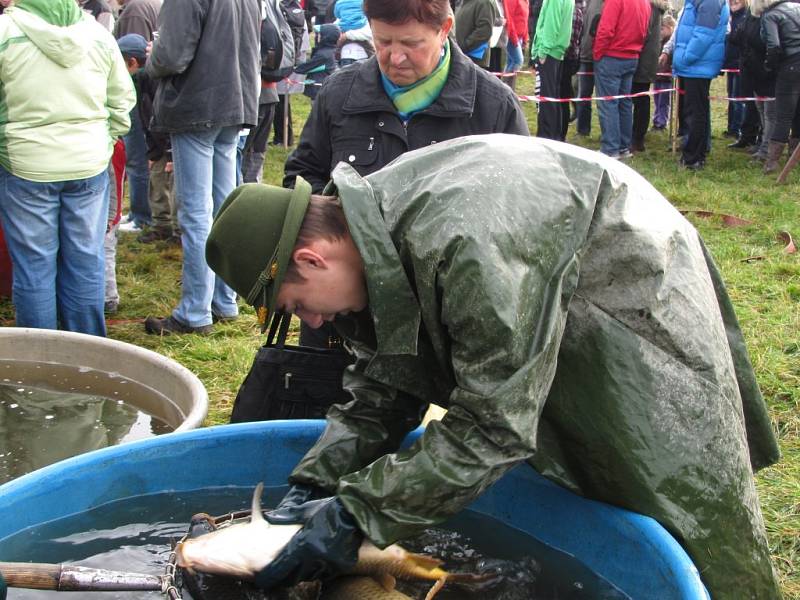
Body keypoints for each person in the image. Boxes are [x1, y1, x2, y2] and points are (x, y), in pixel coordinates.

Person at [206, 134, 781, 599]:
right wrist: (313, 487)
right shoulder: (363, 240)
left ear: (311, 257)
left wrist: (354, 517)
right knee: (544, 449)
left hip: (628, 294)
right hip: (528, 276)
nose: (311, 323)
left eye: (296, 305)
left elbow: (492, 425)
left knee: (667, 482)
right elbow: (383, 388)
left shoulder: (463, 246)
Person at [283, 0, 529, 352]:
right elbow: (301, 176)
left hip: (444, 324)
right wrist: (336, 237)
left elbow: (521, 215)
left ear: (444, 29)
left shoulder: (492, 107)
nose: (395, 58)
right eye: (383, 42)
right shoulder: (340, 94)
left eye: (411, 44)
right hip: (347, 326)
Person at [0, 0, 135, 336]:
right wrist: (102, 142)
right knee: (86, 259)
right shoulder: (98, 35)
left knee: (34, 267)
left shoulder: (5, 33)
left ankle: (41, 365)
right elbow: (122, 101)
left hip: (27, 165)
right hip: (86, 163)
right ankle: (89, 357)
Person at [143, 0, 261, 335]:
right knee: (222, 210)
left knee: (196, 215)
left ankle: (195, 312)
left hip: (198, 105)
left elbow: (170, 57)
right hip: (235, 103)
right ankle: (224, 301)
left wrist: (153, 56)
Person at [671, 0, 729, 169]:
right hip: (696, 65)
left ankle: (693, 157)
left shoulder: (709, 2)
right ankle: (696, 154)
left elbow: (704, 35)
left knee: (695, 113)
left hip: (697, 64)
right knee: (696, 111)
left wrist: (685, 57)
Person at [592, 0, 651, 158]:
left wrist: (598, 54)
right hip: (632, 56)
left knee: (608, 103)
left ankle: (610, 148)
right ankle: (624, 146)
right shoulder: (645, 3)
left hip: (612, 55)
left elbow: (606, 29)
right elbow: (645, 31)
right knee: (624, 103)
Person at [756, 0, 800, 173]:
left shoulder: (770, 15)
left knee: (783, 115)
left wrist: (770, 66)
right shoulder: (796, 7)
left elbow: (774, 46)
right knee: (798, 113)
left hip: (789, 65)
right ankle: (794, 158)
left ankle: (772, 163)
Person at [531, 0, 574, 140]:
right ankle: (555, 135)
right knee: (553, 97)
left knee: (545, 99)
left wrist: (543, 51)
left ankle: (546, 137)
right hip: (556, 52)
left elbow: (551, 24)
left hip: (549, 52)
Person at [630, 0, 668, 152]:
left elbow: (641, 32)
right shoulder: (655, 8)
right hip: (647, 57)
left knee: (640, 99)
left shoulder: (649, 7)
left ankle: (638, 139)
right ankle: (636, 136)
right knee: (640, 98)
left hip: (643, 58)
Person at [575, 0, 603, 136]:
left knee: (603, 98)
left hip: (602, 57)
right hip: (586, 55)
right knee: (583, 95)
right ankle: (583, 129)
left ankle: (606, 133)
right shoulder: (588, 3)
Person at [724, 0, 748, 139]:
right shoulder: (729, 17)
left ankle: (737, 128)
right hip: (730, 64)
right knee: (731, 97)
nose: (734, 1)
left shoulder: (745, 17)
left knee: (738, 99)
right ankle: (731, 127)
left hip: (740, 64)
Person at [455, 0, 499, 66]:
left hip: (474, 59)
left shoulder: (484, 2)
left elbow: (484, 32)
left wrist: (464, 46)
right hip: (462, 56)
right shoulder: (462, 2)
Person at [651, 13, 675, 130]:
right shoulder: (659, 42)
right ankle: (656, 119)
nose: (660, 31)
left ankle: (662, 122)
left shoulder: (671, 44)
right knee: (656, 100)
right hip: (658, 76)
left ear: (670, 28)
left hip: (666, 78)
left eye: (662, 28)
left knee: (663, 101)